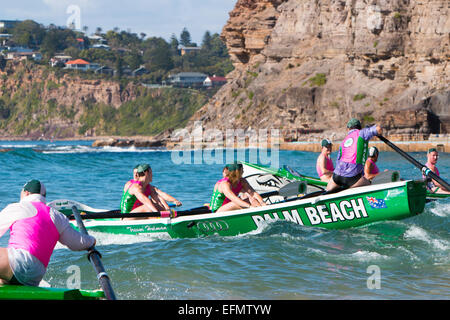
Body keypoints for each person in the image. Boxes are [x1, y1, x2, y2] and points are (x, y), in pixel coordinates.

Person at [0, 179, 96, 286]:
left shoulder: (19, 207)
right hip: (35, 275)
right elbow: (77, 243)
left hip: (18, 262)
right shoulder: (57, 216)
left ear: (26, 193)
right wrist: (92, 240)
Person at [326, 118, 382, 191]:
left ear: (348, 129)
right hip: (351, 178)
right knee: (370, 184)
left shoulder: (344, 141)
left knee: (327, 191)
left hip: (336, 177)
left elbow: (338, 160)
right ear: (359, 127)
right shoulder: (362, 133)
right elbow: (378, 129)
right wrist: (378, 131)